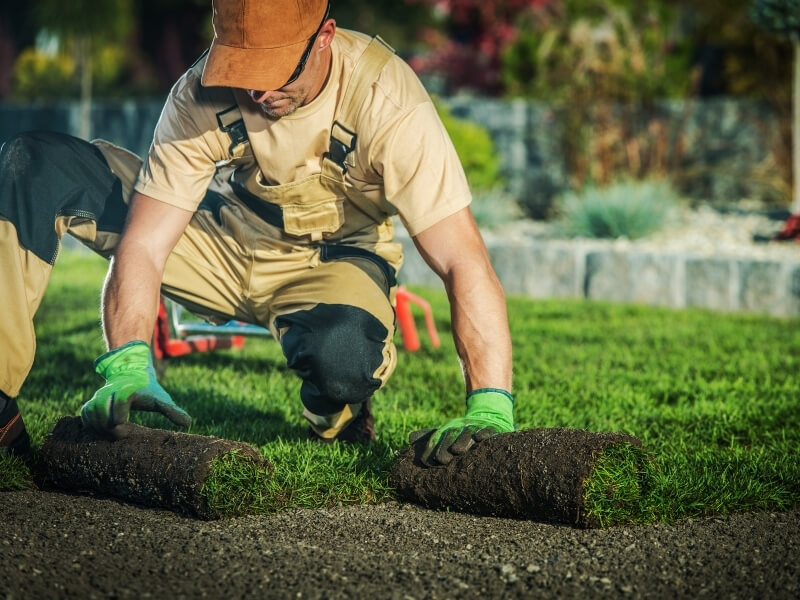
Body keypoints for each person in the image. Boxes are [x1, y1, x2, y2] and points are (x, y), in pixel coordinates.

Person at [0, 0, 514, 467]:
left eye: (273, 72)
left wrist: (490, 404)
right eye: (243, 71)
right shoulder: (197, 93)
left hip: (331, 261)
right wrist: (129, 361)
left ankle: (338, 411)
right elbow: (146, 243)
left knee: (343, 359)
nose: (259, 91)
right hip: (222, 237)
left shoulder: (387, 98)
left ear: (326, 37)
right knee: (35, 163)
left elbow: (461, 259)